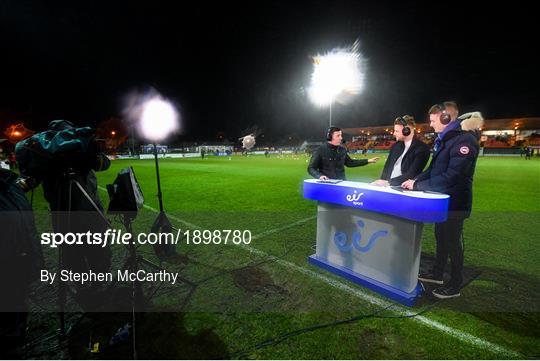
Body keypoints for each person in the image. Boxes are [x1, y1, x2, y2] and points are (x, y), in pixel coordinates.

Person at [401, 104, 483, 299]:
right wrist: (416, 180)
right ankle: (437, 274)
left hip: (456, 203)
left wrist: (419, 186)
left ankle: (455, 285)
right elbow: (433, 169)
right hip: (442, 201)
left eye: (433, 120)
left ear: (446, 119)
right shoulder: (446, 139)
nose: (430, 124)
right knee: (442, 238)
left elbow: (453, 176)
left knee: (453, 243)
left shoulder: (465, 140)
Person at [372, 115, 430, 187]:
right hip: (387, 187)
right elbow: (386, 168)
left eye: (396, 131)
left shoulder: (422, 148)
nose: (394, 134)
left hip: (405, 190)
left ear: (406, 130)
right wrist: (381, 183)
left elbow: (412, 173)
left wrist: (389, 183)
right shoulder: (395, 146)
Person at [308, 126, 379, 180]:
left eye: (341, 135)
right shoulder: (320, 150)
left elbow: (350, 163)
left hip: (342, 184)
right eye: (338, 135)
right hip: (327, 186)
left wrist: (367, 161)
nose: (341, 138)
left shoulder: (342, 150)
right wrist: (319, 176)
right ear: (330, 137)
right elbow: (311, 168)